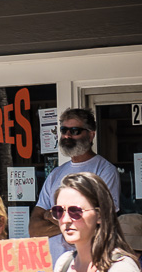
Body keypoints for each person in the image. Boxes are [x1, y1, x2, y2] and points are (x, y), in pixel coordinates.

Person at [31, 108, 121, 259]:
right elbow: (34, 229)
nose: (67, 135)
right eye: (64, 130)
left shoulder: (104, 171)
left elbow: (102, 222)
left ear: (91, 135)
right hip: (55, 265)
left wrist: (50, 216)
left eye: (74, 131)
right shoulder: (55, 174)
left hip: (89, 262)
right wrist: (77, 222)